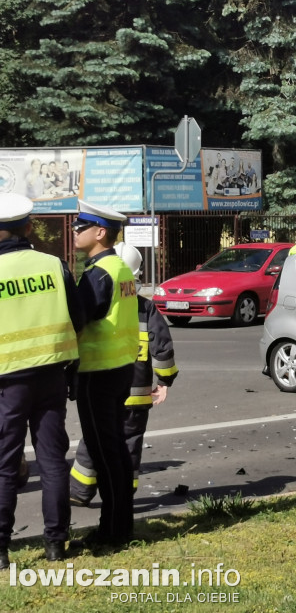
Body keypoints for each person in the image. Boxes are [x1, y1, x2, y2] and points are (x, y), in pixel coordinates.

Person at [0, 194, 83, 568]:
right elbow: (77, 318)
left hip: (6, 382)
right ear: (29, 227)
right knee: (52, 461)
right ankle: (55, 544)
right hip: (52, 374)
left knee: (4, 465)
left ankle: (0, 551)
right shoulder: (54, 265)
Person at [71, 243, 178, 506]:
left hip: (103, 386)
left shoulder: (100, 301)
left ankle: (78, 492)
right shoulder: (146, 308)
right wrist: (165, 381)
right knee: (129, 444)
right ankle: (123, 497)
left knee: (93, 440)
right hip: (137, 397)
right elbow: (162, 347)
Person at [70, 200, 139, 550]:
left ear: (100, 233)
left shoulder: (99, 273)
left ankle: (114, 532)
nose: (74, 231)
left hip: (98, 372)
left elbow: (77, 318)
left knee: (105, 452)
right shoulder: (121, 268)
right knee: (114, 451)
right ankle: (119, 526)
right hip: (118, 368)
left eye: (80, 227)